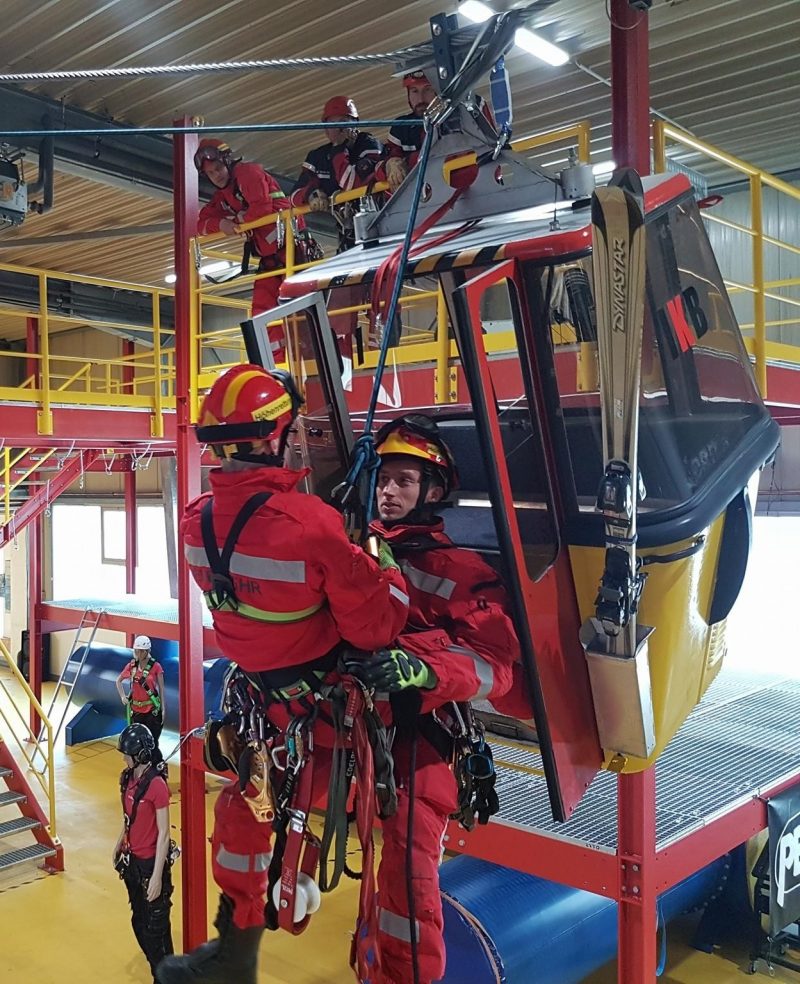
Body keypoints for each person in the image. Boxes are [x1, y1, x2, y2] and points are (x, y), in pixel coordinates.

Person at [156, 364, 409, 984]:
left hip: (254, 699)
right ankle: (254, 947)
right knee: (328, 816)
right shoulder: (313, 526)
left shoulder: (196, 519)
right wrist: (382, 564)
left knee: (243, 812)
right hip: (318, 704)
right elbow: (376, 629)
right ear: (277, 436)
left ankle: (234, 950)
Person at [343, 413, 520, 984]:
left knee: (409, 886)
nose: (389, 491)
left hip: (421, 747)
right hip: (361, 740)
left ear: (433, 492)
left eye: (404, 481)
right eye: (383, 479)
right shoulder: (357, 551)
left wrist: (420, 667)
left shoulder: (460, 572)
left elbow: (496, 668)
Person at [194, 138, 292, 362]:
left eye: (218, 168)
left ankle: (307, 363)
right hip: (270, 261)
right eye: (210, 173)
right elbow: (201, 224)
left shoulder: (248, 173)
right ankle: (274, 368)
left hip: (293, 253)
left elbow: (262, 208)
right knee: (261, 313)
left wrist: (238, 219)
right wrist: (222, 224)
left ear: (227, 162)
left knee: (299, 312)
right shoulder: (224, 196)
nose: (216, 175)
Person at [114, 723, 174, 984]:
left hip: (151, 865)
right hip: (133, 864)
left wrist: (159, 877)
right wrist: (120, 842)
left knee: (155, 930)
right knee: (140, 923)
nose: (124, 758)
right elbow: (129, 817)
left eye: (127, 754)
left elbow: (164, 834)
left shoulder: (157, 785)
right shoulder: (127, 779)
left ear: (139, 755)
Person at [290, 96, 384, 252]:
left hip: (378, 228)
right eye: (332, 124)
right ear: (325, 129)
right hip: (346, 233)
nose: (338, 129)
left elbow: (352, 185)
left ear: (356, 124)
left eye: (343, 122)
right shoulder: (318, 156)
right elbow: (294, 196)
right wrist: (311, 195)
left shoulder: (369, 144)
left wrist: (339, 150)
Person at [380, 70, 437, 193]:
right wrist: (390, 164)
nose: (421, 98)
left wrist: (407, 162)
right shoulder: (400, 127)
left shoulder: (453, 118)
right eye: (414, 91)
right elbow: (384, 161)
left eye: (427, 89)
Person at [116, 635, 166, 766]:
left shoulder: (156, 667)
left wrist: (163, 709)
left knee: (152, 743)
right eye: (136, 650)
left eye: (139, 651)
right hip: (136, 711)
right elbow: (118, 681)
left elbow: (161, 688)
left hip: (152, 712)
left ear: (146, 651)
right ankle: (141, 769)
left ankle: (158, 767)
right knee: (138, 744)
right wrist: (123, 696)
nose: (137, 653)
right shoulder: (131, 666)